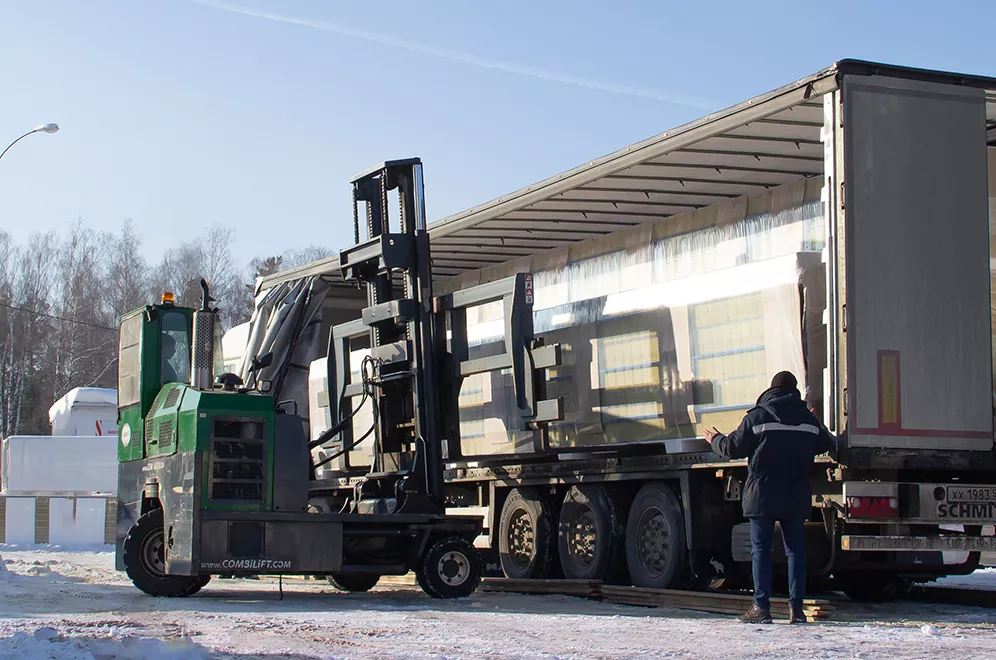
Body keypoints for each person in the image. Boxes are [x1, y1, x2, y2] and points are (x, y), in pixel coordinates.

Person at [703, 371, 836, 624]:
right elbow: (825, 443)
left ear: (771, 389)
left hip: (762, 494)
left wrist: (715, 439)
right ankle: (796, 610)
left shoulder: (758, 416)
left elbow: (733, 448)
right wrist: (816, 421)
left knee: (761, 551)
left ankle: (761, 608)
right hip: (796, 494)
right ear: (795, 391)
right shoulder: (808, 420)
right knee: (795, 552)